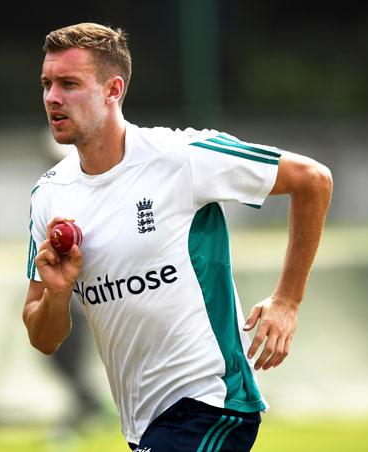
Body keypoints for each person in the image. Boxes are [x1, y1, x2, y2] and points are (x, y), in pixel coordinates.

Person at [23, 22, 333, 451]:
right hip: (145, 424)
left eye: (69, 84)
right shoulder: (49, 197)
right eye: (47, 84)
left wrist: (287, 301)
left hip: (211, 401)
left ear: (113, 90)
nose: (52, 97)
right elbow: (43, 338)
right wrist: (58, 294)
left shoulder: (181, 158)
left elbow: (313, 181)